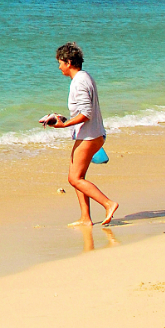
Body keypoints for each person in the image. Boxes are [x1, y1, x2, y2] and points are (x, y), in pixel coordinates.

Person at [44, 42, 119, 226]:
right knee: (79, 177)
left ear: (69, 62)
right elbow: (84, 110)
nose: (59, 66)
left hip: (90, 135)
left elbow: (86, 114)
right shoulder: (85, 77)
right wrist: (60, 118)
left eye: (60, 62)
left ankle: (108, 204)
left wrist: (65, 124)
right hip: (93, 133)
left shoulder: (78, 82)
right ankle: (86, 218)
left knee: (74, 178)